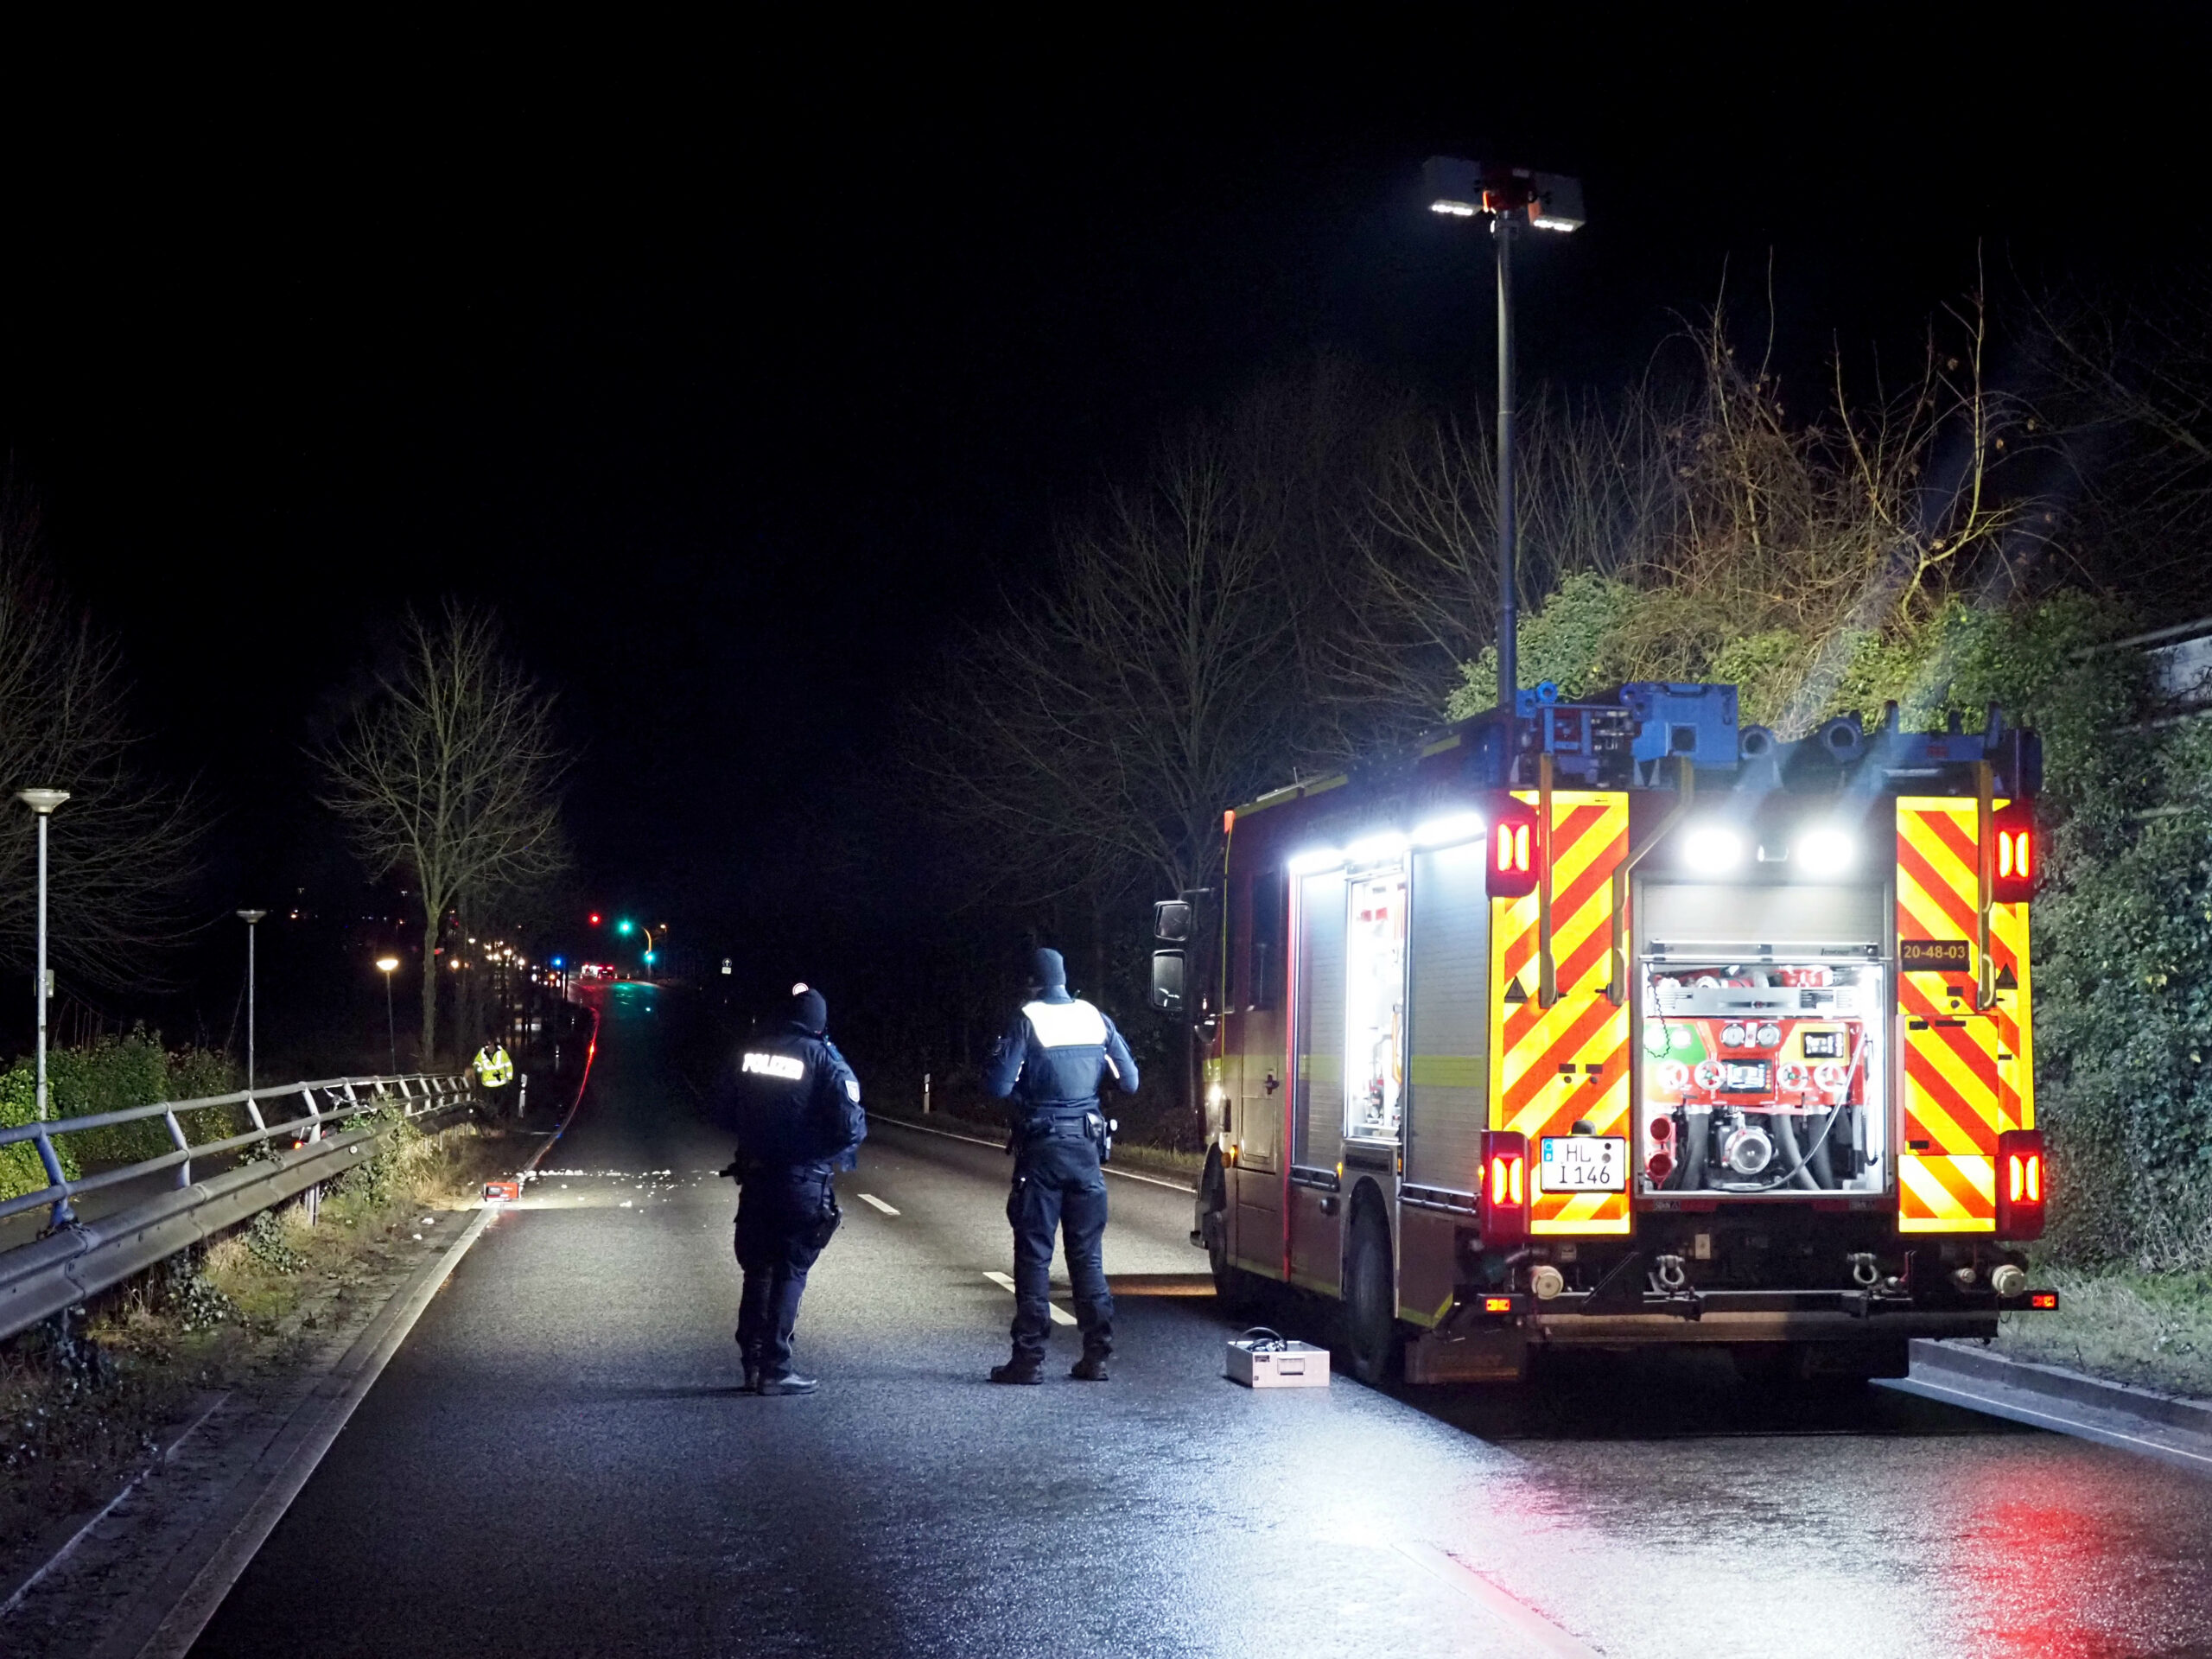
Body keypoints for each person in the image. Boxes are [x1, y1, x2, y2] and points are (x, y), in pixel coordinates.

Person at [982, 947, 1139, 1383]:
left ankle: (1028, 1360)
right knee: (1087, 1257)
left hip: (1042, 1150)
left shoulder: (1026, 1019)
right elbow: (1130, 1081)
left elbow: (996, 1085)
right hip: (1087, 1151)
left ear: (1030, 982)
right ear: (1064, 978)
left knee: (1034, 1257)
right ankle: (1097, 1357)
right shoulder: (1094, 1018)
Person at [712, 983, 866, 1395]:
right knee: (790, 1270)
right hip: (801, 1181)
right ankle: (776, 1369)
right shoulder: (824, 1057)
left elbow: (721, 1106)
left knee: (757, 1270)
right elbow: (851, 1126)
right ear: (819, 1022)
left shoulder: (752, 1052)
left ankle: (752, 1362)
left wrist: (757, 1139)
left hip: (756, 1176)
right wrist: (816, 1152)